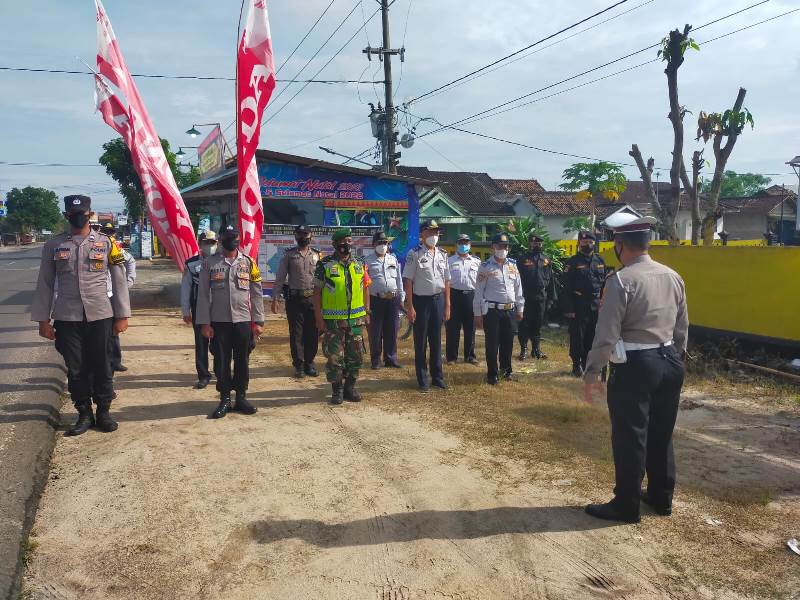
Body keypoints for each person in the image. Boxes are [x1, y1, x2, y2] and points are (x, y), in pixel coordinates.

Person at [583, 215, 688, 523]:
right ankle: (661, 497)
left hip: (636, 365)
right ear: (647, 243)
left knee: (631, 435)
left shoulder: (621, 280)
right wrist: (677, 358)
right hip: (670, 360)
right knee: (661, 432)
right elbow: (682, 326)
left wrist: (592, 373)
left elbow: (606, 335)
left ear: (619, 245)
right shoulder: (672, 275)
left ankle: (626, 504)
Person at [30, 195, 131, 436]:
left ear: (90, 214)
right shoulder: (53, 245)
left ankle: (104, 411)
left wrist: (122, 315)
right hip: (67, 316)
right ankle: (84, 413)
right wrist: (43, 320)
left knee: (103, 364)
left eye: (83, 213)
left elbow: (119, 281)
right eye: (73, 213)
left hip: (101, 315)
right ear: (66, 216)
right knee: (76, 368)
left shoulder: (107, 243)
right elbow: (44, 283)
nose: (78, 217)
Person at [195, 225, 265, 419]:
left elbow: (257, 293)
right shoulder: (210, 263)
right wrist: (205, 323)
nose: (231, 240)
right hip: (219, 322)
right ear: (221, 239)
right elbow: (202, 295)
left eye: (234, 237)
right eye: (227, 237)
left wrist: (258, 321)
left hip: (243, 320)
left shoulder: (249, 262)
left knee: (243, 360)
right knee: (222, 361)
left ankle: (241, 397)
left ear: (238, 239)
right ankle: (225, 398)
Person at [312, 228, 371, 405]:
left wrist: (367, 311)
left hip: (356, 320)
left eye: (349, 241)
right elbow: (316, 293)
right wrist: (319, 319)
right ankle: (337, 390)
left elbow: (366, 286)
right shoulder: (324, 265)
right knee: (334, 357)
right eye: (343, 241)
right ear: (335, 244)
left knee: (356, 356)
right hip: (333, 322)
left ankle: (350, 388)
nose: (347, 244)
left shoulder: (360, 263)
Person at [402, 220, 451, 392]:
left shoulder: (443, 254)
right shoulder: (414, 254)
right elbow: (408, 280)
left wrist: (447, 305)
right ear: (422, 234)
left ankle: (437, 377)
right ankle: (422, 379)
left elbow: (446, 280)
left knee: (436, 340)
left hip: (438, 300)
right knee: (421, 341)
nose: (434, 236)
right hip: (421, 302)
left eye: (436, 233)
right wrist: (410, 306)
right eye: (430, 233)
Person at [473, 233, 525, 385]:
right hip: (492, 311)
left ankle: (506, 371)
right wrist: (478, 314)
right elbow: (479, 291)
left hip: (510, 310)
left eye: (506, 246)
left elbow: (518, 289)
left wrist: (520, 308)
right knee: (492, 344)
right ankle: (492, 375)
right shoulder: (485, 267)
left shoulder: (513, 265)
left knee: (508, 343)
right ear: (492, 247)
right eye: (500, 246)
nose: (503, 248)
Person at [271, 224, 321, 378]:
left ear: (310, 236)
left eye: (305, 234)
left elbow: (322, 280)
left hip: (313, 299)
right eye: (300, 234)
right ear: (295, 236)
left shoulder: (318, 255)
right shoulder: (289, 255)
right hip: (295, 299)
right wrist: (275, 298)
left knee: (313, 332)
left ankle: (309, 363)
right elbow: (280, 277)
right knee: (296, 333)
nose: (302, 237)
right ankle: (299, 364)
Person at [562, 230, 606, 377]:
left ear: (594, 243)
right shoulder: (572, 262)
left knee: (592, 336)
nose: (587, 244)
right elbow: (566, 287)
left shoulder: (600, 261)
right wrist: (569, 308)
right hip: (578, 303)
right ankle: (576, 364)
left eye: (590, 242)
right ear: (580, 243)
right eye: (584, 242)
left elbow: (604, 285)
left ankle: (588, 363)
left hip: (595, 305)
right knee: (577, 336)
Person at [181, 231, 218, 389]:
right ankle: (203, 375)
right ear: (200, 243)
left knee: (219, 342)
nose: (209, 246)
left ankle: (220, 371)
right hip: (199, 307)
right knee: (201, 342)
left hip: (219, 307)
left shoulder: (222, 262)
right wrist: (185, 310)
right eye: (206, 242)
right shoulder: (191, 264)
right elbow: (186, 287)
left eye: (212, 242)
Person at [365, 231, 404, 369]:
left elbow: (399, 279)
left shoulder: (393, 259)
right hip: (375, 299)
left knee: (392, 329)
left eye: (385, 243)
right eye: (380, 243)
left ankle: (391, 358)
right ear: (373, 244)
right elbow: (364, 284)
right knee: (375, 331)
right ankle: (375, 360)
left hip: (393, 299)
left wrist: (401, 297)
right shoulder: (367, 261)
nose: (383, 245)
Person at [102, 222, 136, 372]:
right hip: (96, 296)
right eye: (105, 231)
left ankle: (115, 361)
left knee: (114, 331)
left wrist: (127, 283)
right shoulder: (95, 246)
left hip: (112, 294)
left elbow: (130, 261)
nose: (108, 234)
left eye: (110, 231)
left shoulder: (116, 248)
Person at [517, 233, 555, 360]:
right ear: (530, 244)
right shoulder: (522, 259)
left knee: (538, 324)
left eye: (539, 243)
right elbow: (516, 280)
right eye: (534, 243)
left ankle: (536, 350)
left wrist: (551, 298)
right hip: (526, 297)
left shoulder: (546, 260)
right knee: (524, 324)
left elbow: (551, 280)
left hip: (540, 297)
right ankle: (524, 350)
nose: (537, 245)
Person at [446, 233, 481, 366]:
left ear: (470, 245)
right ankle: (451, 357)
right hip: (454, 296)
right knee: (452, 328)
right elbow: (446, 281)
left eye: (466, 243)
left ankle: (470, 355)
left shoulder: (477, 262)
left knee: (470, 327)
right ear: (456, 245)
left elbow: (480, 282)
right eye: (461, 243)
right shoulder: (449, 261)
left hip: (471, 296)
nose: (464, 245)